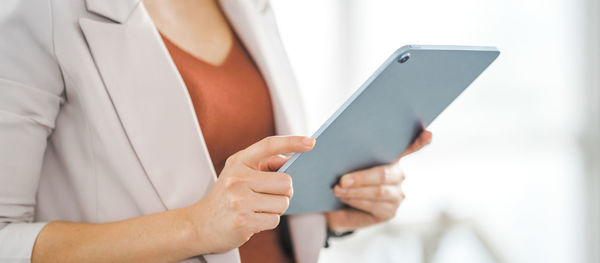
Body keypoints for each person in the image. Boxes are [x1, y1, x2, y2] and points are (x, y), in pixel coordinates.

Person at [0, 0, 432, 262]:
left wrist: (330, 213)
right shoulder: (40, 13)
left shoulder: (251, 7)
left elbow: (243, 203)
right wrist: (195, 227)